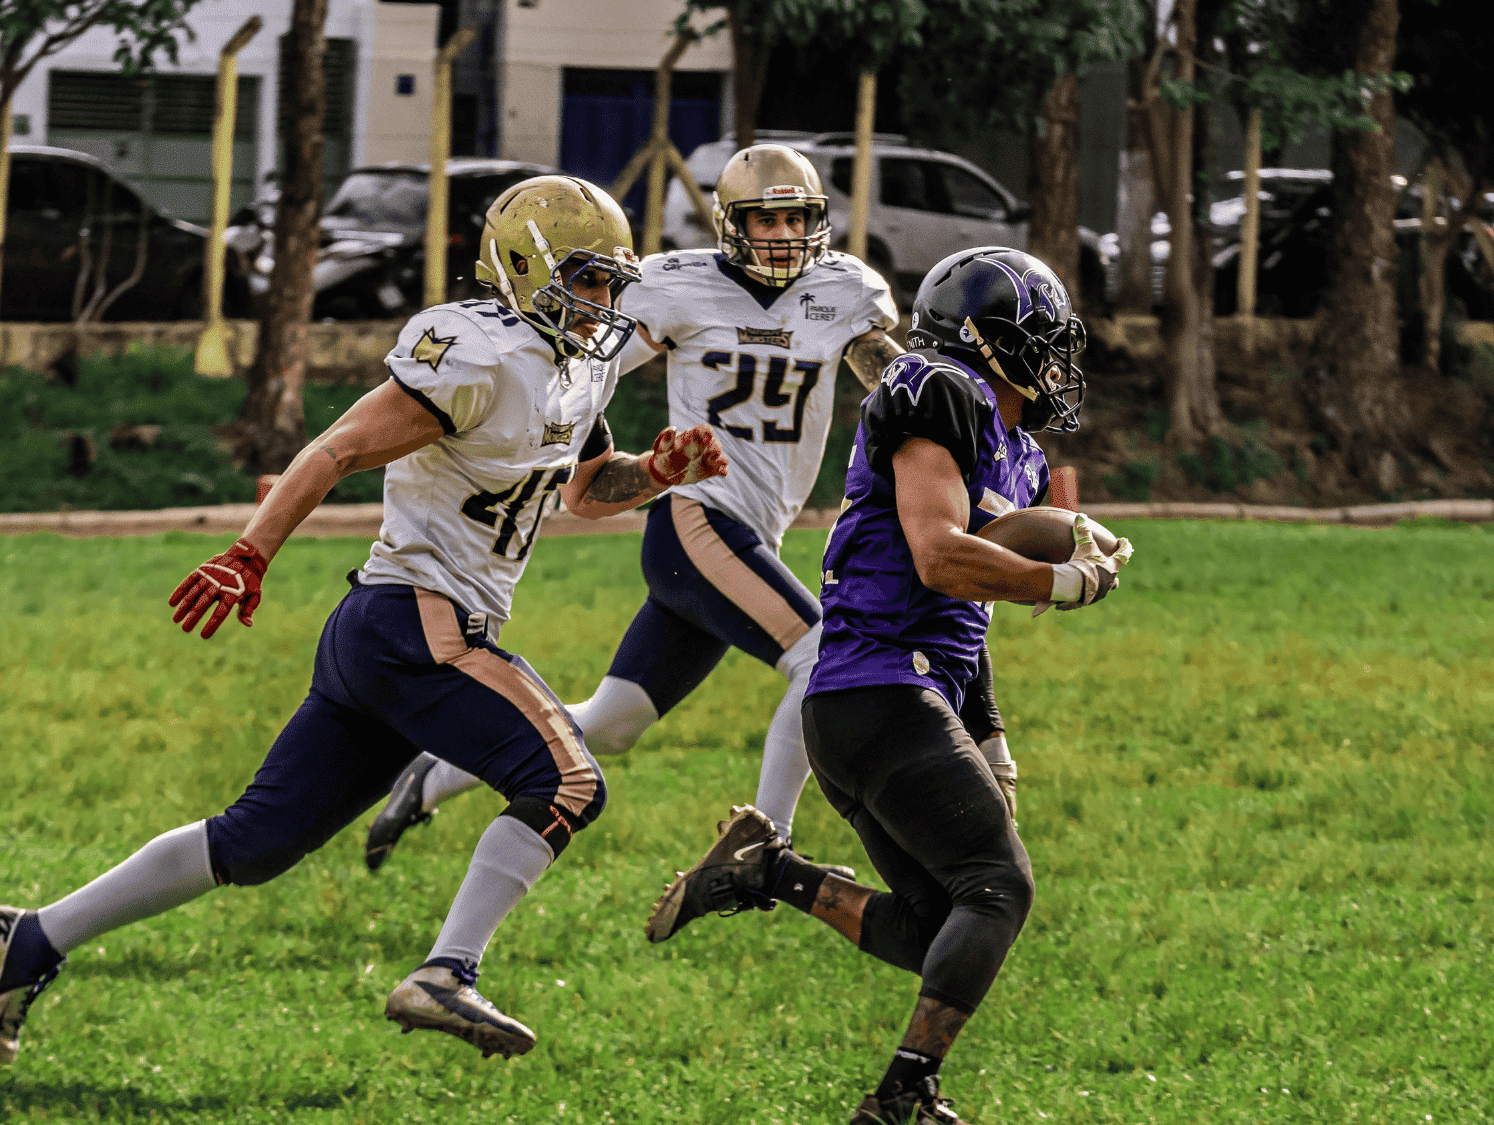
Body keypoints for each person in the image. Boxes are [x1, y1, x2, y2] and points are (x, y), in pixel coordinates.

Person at [0, 175, 729, 1066]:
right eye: (586, 279)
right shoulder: (476, 353)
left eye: (610, 281)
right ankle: (448, 970)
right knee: (569, 782)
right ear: (523, 269)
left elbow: (587, 488)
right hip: (417, 620)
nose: (602, 302)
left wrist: (657, 471)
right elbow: (336, 448)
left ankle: (34, 936)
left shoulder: (580, 363)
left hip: (389, 634)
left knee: (251, 845)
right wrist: (250, 552)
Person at [360, 144, 1017, 871]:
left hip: (746, 535)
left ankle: (432, 773)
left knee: (612, 722)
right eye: (764, 219)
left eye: (797, 217)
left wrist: (955, 441)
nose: (783, 235)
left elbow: (896, 387)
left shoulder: (844, 290)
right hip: (697, 518)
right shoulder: (675, 284)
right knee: (824, 655)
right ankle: (765, 843)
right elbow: (584, 363)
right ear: (729, 222)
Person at [640, 247, 1133, 1124]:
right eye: (1041, 342)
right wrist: (1060, 580)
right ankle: (903, 1094)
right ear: (985, 341)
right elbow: (942, 557)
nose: (1057, 364)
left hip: (890, 699)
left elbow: (981, 574)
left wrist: (994, 735)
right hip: (878, 689)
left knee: (939, 919)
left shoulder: (1007, 443)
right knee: (999, 888)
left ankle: (769, 874)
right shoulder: (936, 390)